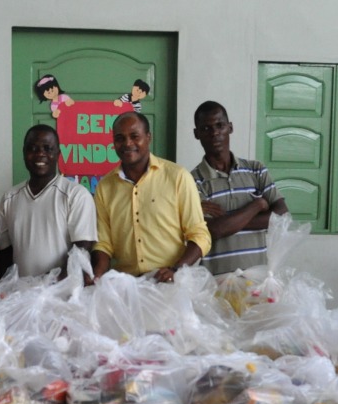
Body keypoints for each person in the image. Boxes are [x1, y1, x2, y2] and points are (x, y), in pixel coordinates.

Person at [90, 112, 210, 283]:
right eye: (120, 138)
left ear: (148, 137)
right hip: (127, 286)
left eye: (134, 136)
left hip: (170, 284)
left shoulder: (177, 177)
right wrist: (99, 275)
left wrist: (175, 270)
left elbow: (199, 235)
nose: (127, 143)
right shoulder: (105, 187)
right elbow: (103, 243)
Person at [191, 100, 290, 276]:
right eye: (206, 128)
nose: (214, 133)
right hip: (216, 285)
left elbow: (281, 215)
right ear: (196, 134)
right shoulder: (193, 181)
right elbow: (212, 230)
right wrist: (257, 206)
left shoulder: (256, 170)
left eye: (220, 125)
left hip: (260, 281)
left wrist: (229, 223)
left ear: (230, 127)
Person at [0, 124, 97, 280]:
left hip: (62, 295)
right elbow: (4, 255)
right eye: (33, 148)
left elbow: (82, 252)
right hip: (20, 296)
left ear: (58, 154)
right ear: (24, 153)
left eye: (48, 148)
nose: (40, 154)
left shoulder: (75, 194)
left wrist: (44, 286)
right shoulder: (9, 198)